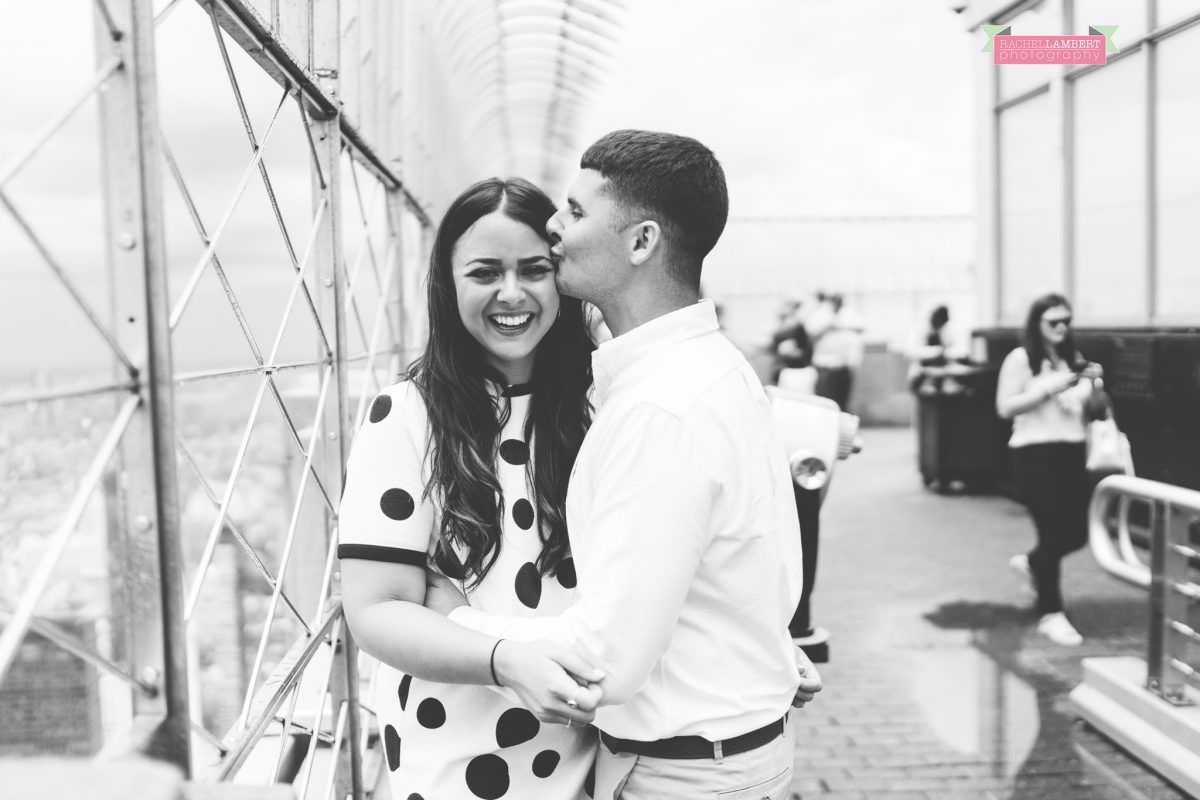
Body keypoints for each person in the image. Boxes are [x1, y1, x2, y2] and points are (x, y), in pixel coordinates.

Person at [428, 130, 820, 800]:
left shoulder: (660, 410)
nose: (553, 226)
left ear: (641, 243)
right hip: (727, 755)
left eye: (576, 213)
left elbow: (606, 662)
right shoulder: (711, 369)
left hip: (682, 776)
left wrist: (455, 621)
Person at [337, 177, 604, 800]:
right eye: (485, 273)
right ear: (447, 284)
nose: (512, 293)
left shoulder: (605, 402)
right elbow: (375, 609)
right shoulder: (406, 415)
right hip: (454, 754)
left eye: (534, 269)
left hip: (595, 743)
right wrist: (504, 658)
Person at [996, 293, 1102, 646]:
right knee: (1052, 532)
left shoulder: (1073, 358)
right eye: (1053, 321)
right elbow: (1005, 407)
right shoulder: (1022, 358)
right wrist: (1051, 387)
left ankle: (1031, 564)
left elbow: (1091, 409)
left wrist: (1091, 385)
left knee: (1077, 534)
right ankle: (1052, 613)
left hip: (1072, 450)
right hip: (1034, 454)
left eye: (1066, 321)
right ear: (1037, 324)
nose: (1061, 327)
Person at [807, 293, 865, 410]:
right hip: (826, 367)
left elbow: (861, 327)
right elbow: (811, 335)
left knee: (842, 404)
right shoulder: (820, 314)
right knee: (825, 403)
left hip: (844, 366)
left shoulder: (848, 313)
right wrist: (829, 325)